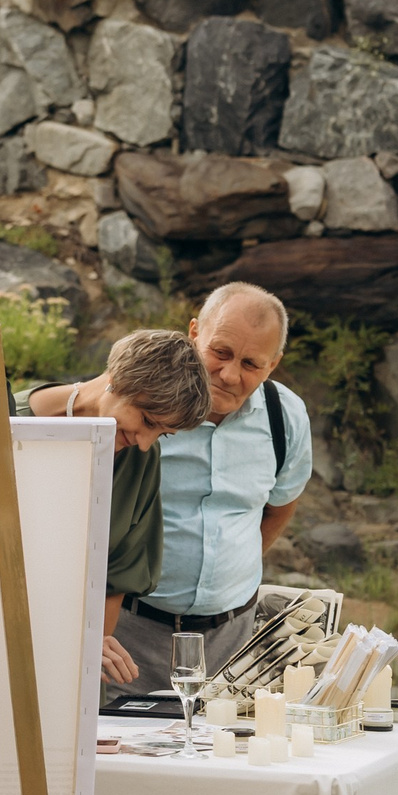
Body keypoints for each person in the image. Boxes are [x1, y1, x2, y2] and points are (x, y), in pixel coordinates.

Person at [115, 282, 312, 688]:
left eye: (251, 364)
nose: (230, 375)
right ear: (194, 333)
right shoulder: (142, 406)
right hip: (128, 634)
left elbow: (280, 506)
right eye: (220, 353)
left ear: (273, 364)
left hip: (233, 641)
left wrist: (228, 577)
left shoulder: (286, 417)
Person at [18, 329, 212, 683]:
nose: (145, 442)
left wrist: (89, 648)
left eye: (162, 433)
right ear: (118, 380)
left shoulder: (140, 459)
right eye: (148, 421)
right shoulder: (2, 420)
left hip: (70, 669)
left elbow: (117, 575)